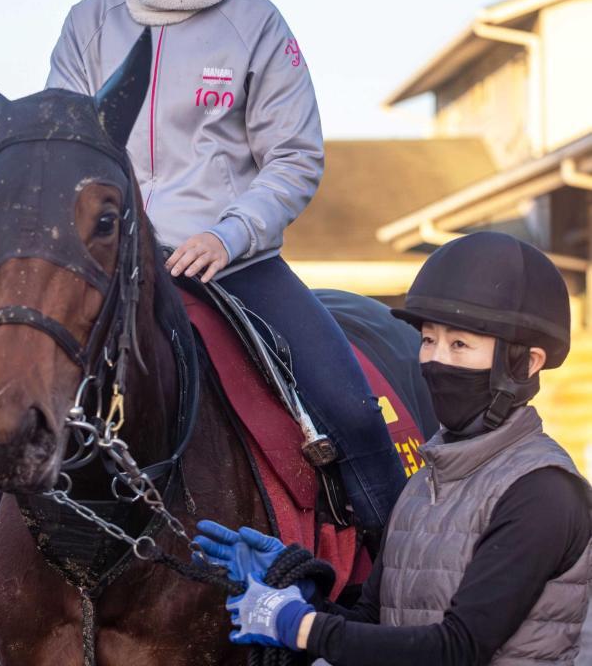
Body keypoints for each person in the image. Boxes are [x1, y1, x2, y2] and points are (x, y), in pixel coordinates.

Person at [0, 0, 406, 666]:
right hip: (109, 270)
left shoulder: (258, 25)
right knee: (4, 421)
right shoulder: (88, 23)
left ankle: (384, 596)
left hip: (232, 262)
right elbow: (66, 156)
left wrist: (230, 229)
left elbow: (293, 156)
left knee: (352, 408)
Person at [197, 231, 592, 665]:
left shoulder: (543, 494)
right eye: (428, 340)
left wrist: (299, 626)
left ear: (526, 363)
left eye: (459, 344)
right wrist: (297, 590)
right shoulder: (423, 485)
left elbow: (456, 648)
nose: (436, 360)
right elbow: (373, 620)